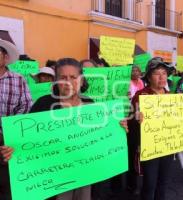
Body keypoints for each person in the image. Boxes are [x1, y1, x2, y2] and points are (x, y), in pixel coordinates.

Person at [2, 58, 128, 200]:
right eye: (63, 77)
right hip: (52, 178)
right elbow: (25, 139)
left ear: (81, 80)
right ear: (56, 80)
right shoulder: (43, 104)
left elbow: (103, 137)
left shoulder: (90, 104)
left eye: (73, 77)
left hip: (85, 175)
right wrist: (12, 150)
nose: (68, 82)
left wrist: (118, 128)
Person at [128, 57, 173, 200]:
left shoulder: (170, 96)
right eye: (157, 73)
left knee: (163, 182)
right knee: (149, 184)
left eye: (164, 73)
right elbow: (129, 121)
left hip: (167, 146)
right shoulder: (141, 96)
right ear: (148, 76)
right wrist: (135, 117)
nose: (161, 77)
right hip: (149, 147)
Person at [0, 39, 33, 200]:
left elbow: (26, 106)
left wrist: (10, 130)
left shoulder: (18, 79)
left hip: (8, 140)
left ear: (5, 57)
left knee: (8, 184)